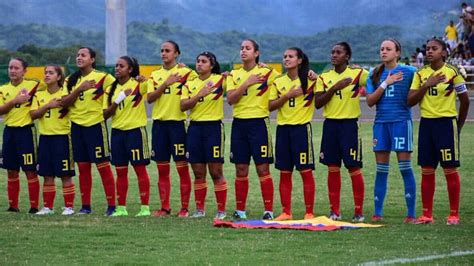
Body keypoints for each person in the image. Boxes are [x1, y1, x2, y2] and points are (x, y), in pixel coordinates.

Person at [408, 38, 470, 225]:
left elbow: (465, 100)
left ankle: (454, 214)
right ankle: (427, 214)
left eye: (434, 49)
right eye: (427, 49)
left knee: (449, 169)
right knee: (427, 169)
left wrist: (457, 125)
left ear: (444, 52)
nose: (429, 52)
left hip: (446, 124)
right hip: (427, 124)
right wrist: (427, 84)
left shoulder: (453, 72)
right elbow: (410, 101)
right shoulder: (420, 74)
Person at [314, 42, 368, 222]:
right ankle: (334, 211)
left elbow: (377, 79)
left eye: (338, 52)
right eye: (332, 52)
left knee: (354, 167)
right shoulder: (324, 77)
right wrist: (335, 87)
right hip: (330, 126)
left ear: (347, 56)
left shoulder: (357, 74)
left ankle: (359, 212)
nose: (334, 55)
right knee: (332, 168)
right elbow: (318, 102)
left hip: (349, 126)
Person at [365, 39, 417, 223]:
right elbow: (370, 101)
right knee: (381, 170)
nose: (384, 52)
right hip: (381, 125)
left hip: (401, 123)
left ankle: (411, 214)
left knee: (405, 168)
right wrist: (386, 82)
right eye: (381, 49)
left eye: (388, 49)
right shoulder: (374, 74)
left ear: (397, 53)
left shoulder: (410, 72)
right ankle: (377, 212)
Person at [227, 39, 280, 220]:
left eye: (248, 48)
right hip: (239, 124)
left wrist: (310, 74)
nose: (243, 51)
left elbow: (289, 80)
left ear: (256, 53)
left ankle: (269, 210)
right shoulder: (234, 74)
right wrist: (247, 82)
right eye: (241, 48)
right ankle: (240, 210)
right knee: (241, 168)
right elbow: (231, 99)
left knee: (262, 168)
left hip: (259, 124)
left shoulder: (268, 73)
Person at [61, 47, 117, 216]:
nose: (79, 58)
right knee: (83, 168)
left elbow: (119, 87)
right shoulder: (70, 80)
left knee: (103, 167)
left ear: (92, 59)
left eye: (83, 55)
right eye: (77, 55)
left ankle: (112, 206)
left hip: (95, 126)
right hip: (77, 127)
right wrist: (79, 89)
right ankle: (85, 206)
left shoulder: (103, 77)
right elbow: (64, 102)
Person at [147, 40, 197, 217]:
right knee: (162, 169)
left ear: (176, 53)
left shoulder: (187, 73)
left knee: (182, 168)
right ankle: (165, 207)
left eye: (167, 50)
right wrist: (165, 83)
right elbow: (150, 98)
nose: (163, 54)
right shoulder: (155, 74)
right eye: (161, 50)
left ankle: (184, 208)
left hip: (178, 125)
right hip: (159, 125)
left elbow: (205, 80)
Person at [269, 47, 316, 221]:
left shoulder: (310, 80)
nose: (286, 59)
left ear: (299, 60)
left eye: (290, 56)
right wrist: (287, 95)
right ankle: (286, 212)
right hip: (283, 130)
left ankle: (309, 212)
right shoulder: (278, 82)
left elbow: (324, 89)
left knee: (306, 171)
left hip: (301, 129)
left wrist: (317, 77)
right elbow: (270, 106)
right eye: (284, 57)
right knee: (284, 172)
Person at [180, 51, 228, 220]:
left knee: (216, 171)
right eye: (198, 61)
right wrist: (199, 94)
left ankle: (221, 210)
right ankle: (200, 210)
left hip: (213, 128)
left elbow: (241, 81)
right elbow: (183, 106)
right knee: (198, 172)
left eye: (204, 61)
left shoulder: (221, 80)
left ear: (212, 65)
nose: (199, 64)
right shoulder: (189, 84)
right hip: (194, 129)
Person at [103, 56, 151, 217]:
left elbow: (152, 91)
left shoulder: (139, 84)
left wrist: (144, 80)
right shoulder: (110, 89)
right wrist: (118, 99)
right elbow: (105, 114)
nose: (117, 68)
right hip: (117, 133)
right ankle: (121, 208)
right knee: (121, 171)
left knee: (140, 170)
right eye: (116, 65)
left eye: (121, 66)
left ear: (130, 69)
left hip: (135, 132)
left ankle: (145, 208)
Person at [30, 65, 75, 215]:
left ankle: (69, 207)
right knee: (47, 174)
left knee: (65, 174)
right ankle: (48, 207)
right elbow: (33, 115)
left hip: (62, 137)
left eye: (51, 73)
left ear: (59, 77)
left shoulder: (66, 93)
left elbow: (72, 106)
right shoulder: (39, 95)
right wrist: (48, 105)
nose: (47, 75)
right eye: (45, 73)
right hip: (45, 138)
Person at [0, 58, 44, 213]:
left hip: (26, 131)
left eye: (16, 68)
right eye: (10, 67)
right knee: (11, 170)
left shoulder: (34, 85)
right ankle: (13, 206)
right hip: (9, 132)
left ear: (25, 70)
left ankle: (33, 206)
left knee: (30, 169)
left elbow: (55, 85)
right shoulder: (3, 88)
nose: (12, 70)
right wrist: (15, 101)